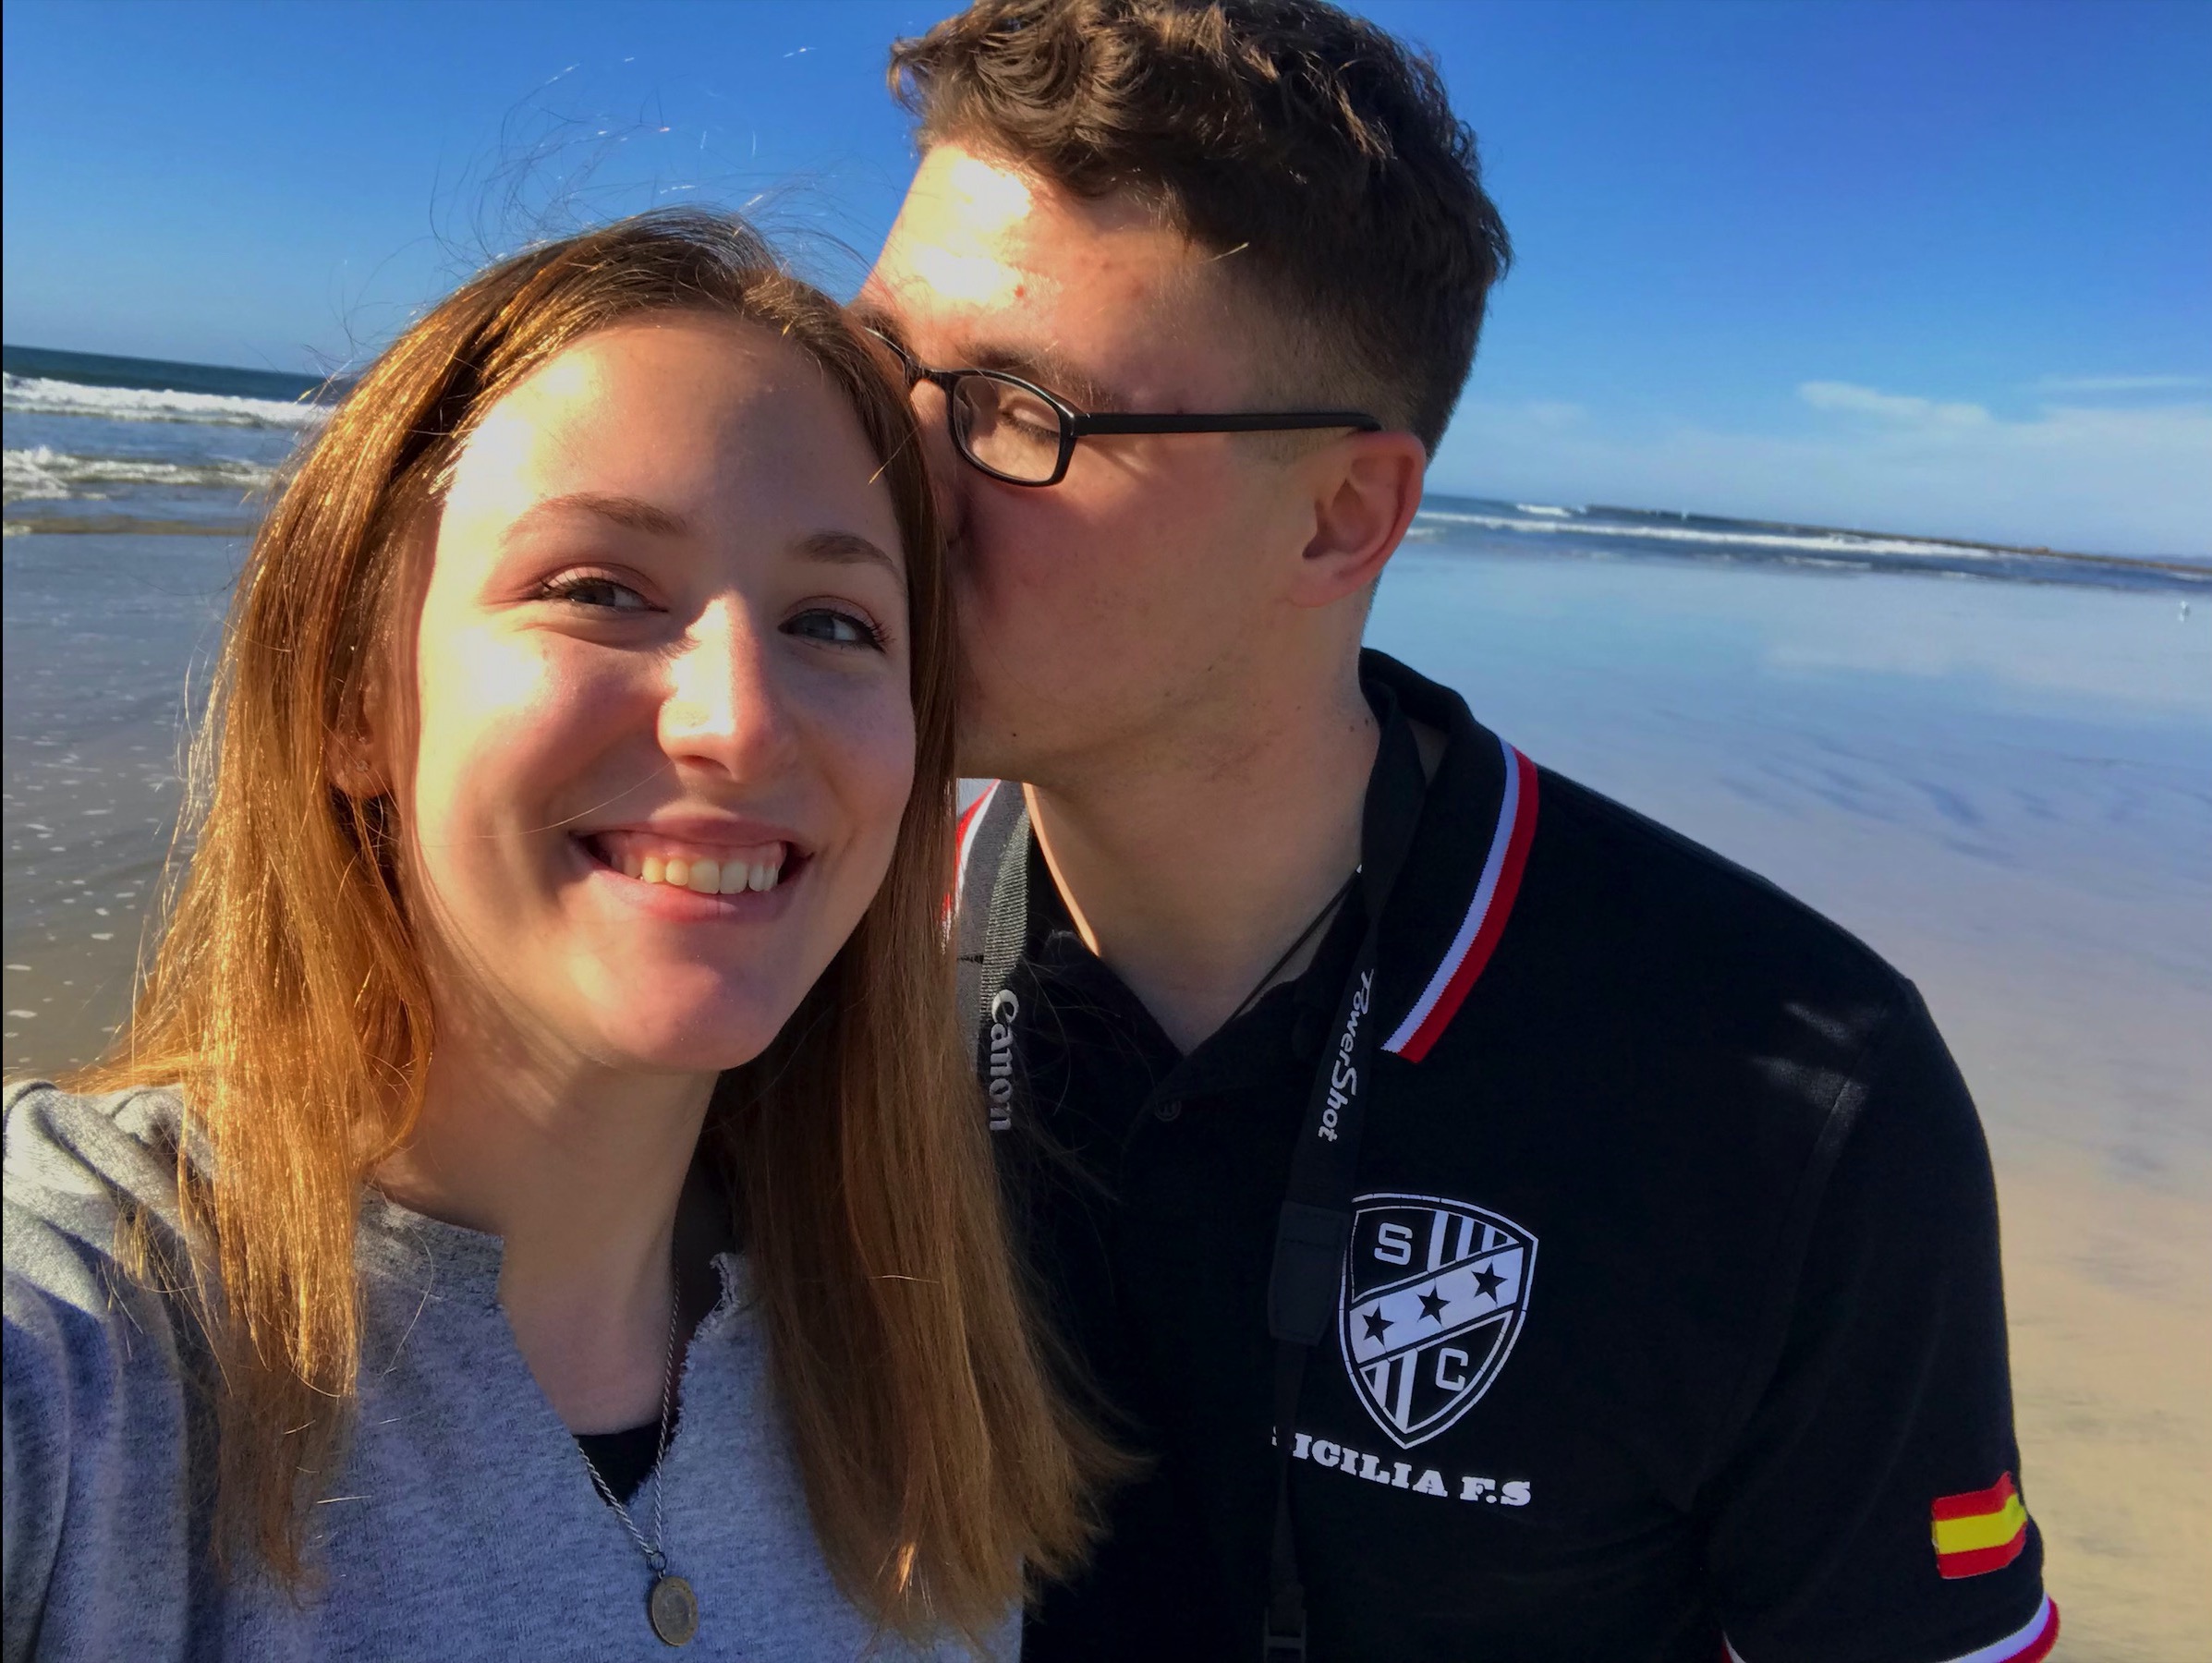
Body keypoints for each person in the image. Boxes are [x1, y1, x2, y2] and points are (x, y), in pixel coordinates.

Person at [859, 3, 2059, 1660]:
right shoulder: (805, 939)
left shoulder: (1785, 1099)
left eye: (1013, 408)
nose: (887, 482)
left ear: (1340, 515)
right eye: (872, 371)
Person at [1, 211, 1112, 1662]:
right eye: (597, 590)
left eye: (834, 622)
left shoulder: (911, 1387)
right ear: (352, 692)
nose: (741, 718)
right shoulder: (92, 1368)